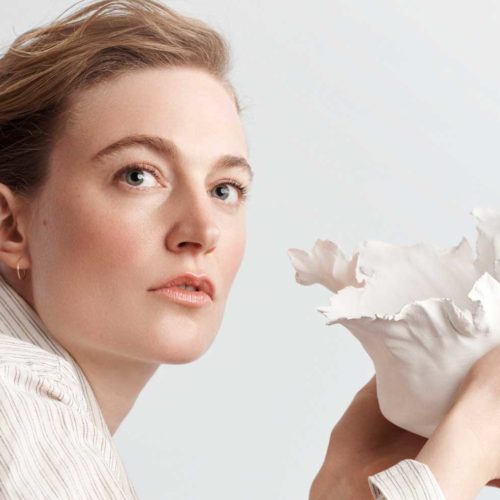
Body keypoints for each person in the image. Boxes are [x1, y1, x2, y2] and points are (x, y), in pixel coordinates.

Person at [1, 1, 500, 499]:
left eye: (224, 189)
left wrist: (341, 487)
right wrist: (464, 451)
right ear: (10, 226)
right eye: (138, 176)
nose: (202, 230)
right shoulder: (19, 408)